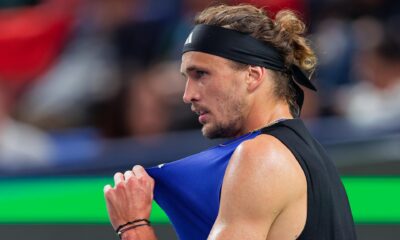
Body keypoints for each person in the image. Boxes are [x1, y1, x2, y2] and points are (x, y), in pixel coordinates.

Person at [103, 4, 357, 240]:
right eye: (186, 77)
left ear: (252, 76)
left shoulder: (262, 157)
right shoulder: (303, 154)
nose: (187, 94)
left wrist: (133, 226)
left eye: (201, 74)